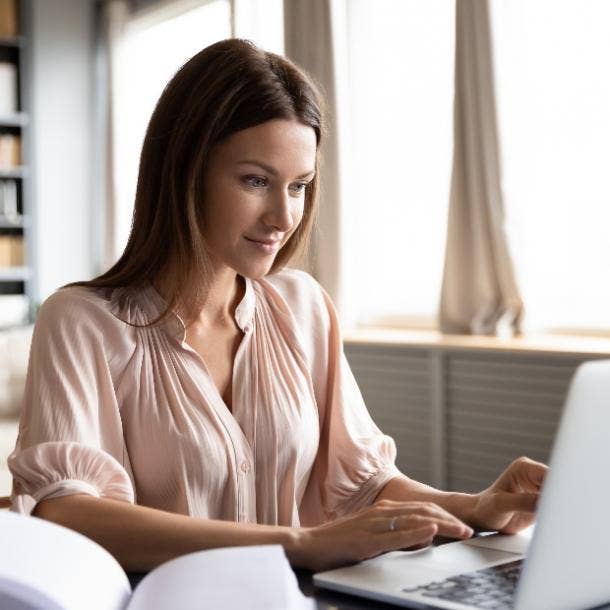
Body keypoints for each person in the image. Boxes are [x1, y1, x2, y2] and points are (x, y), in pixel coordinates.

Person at [8, 39, 546, 573]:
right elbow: (69, 513)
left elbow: (362, 484)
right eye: (256, 181)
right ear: (184, 171)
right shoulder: (81, 321)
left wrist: (476, 507)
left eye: (299, 186)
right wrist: (298, 543)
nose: (284, 217)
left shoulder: (303, 306)